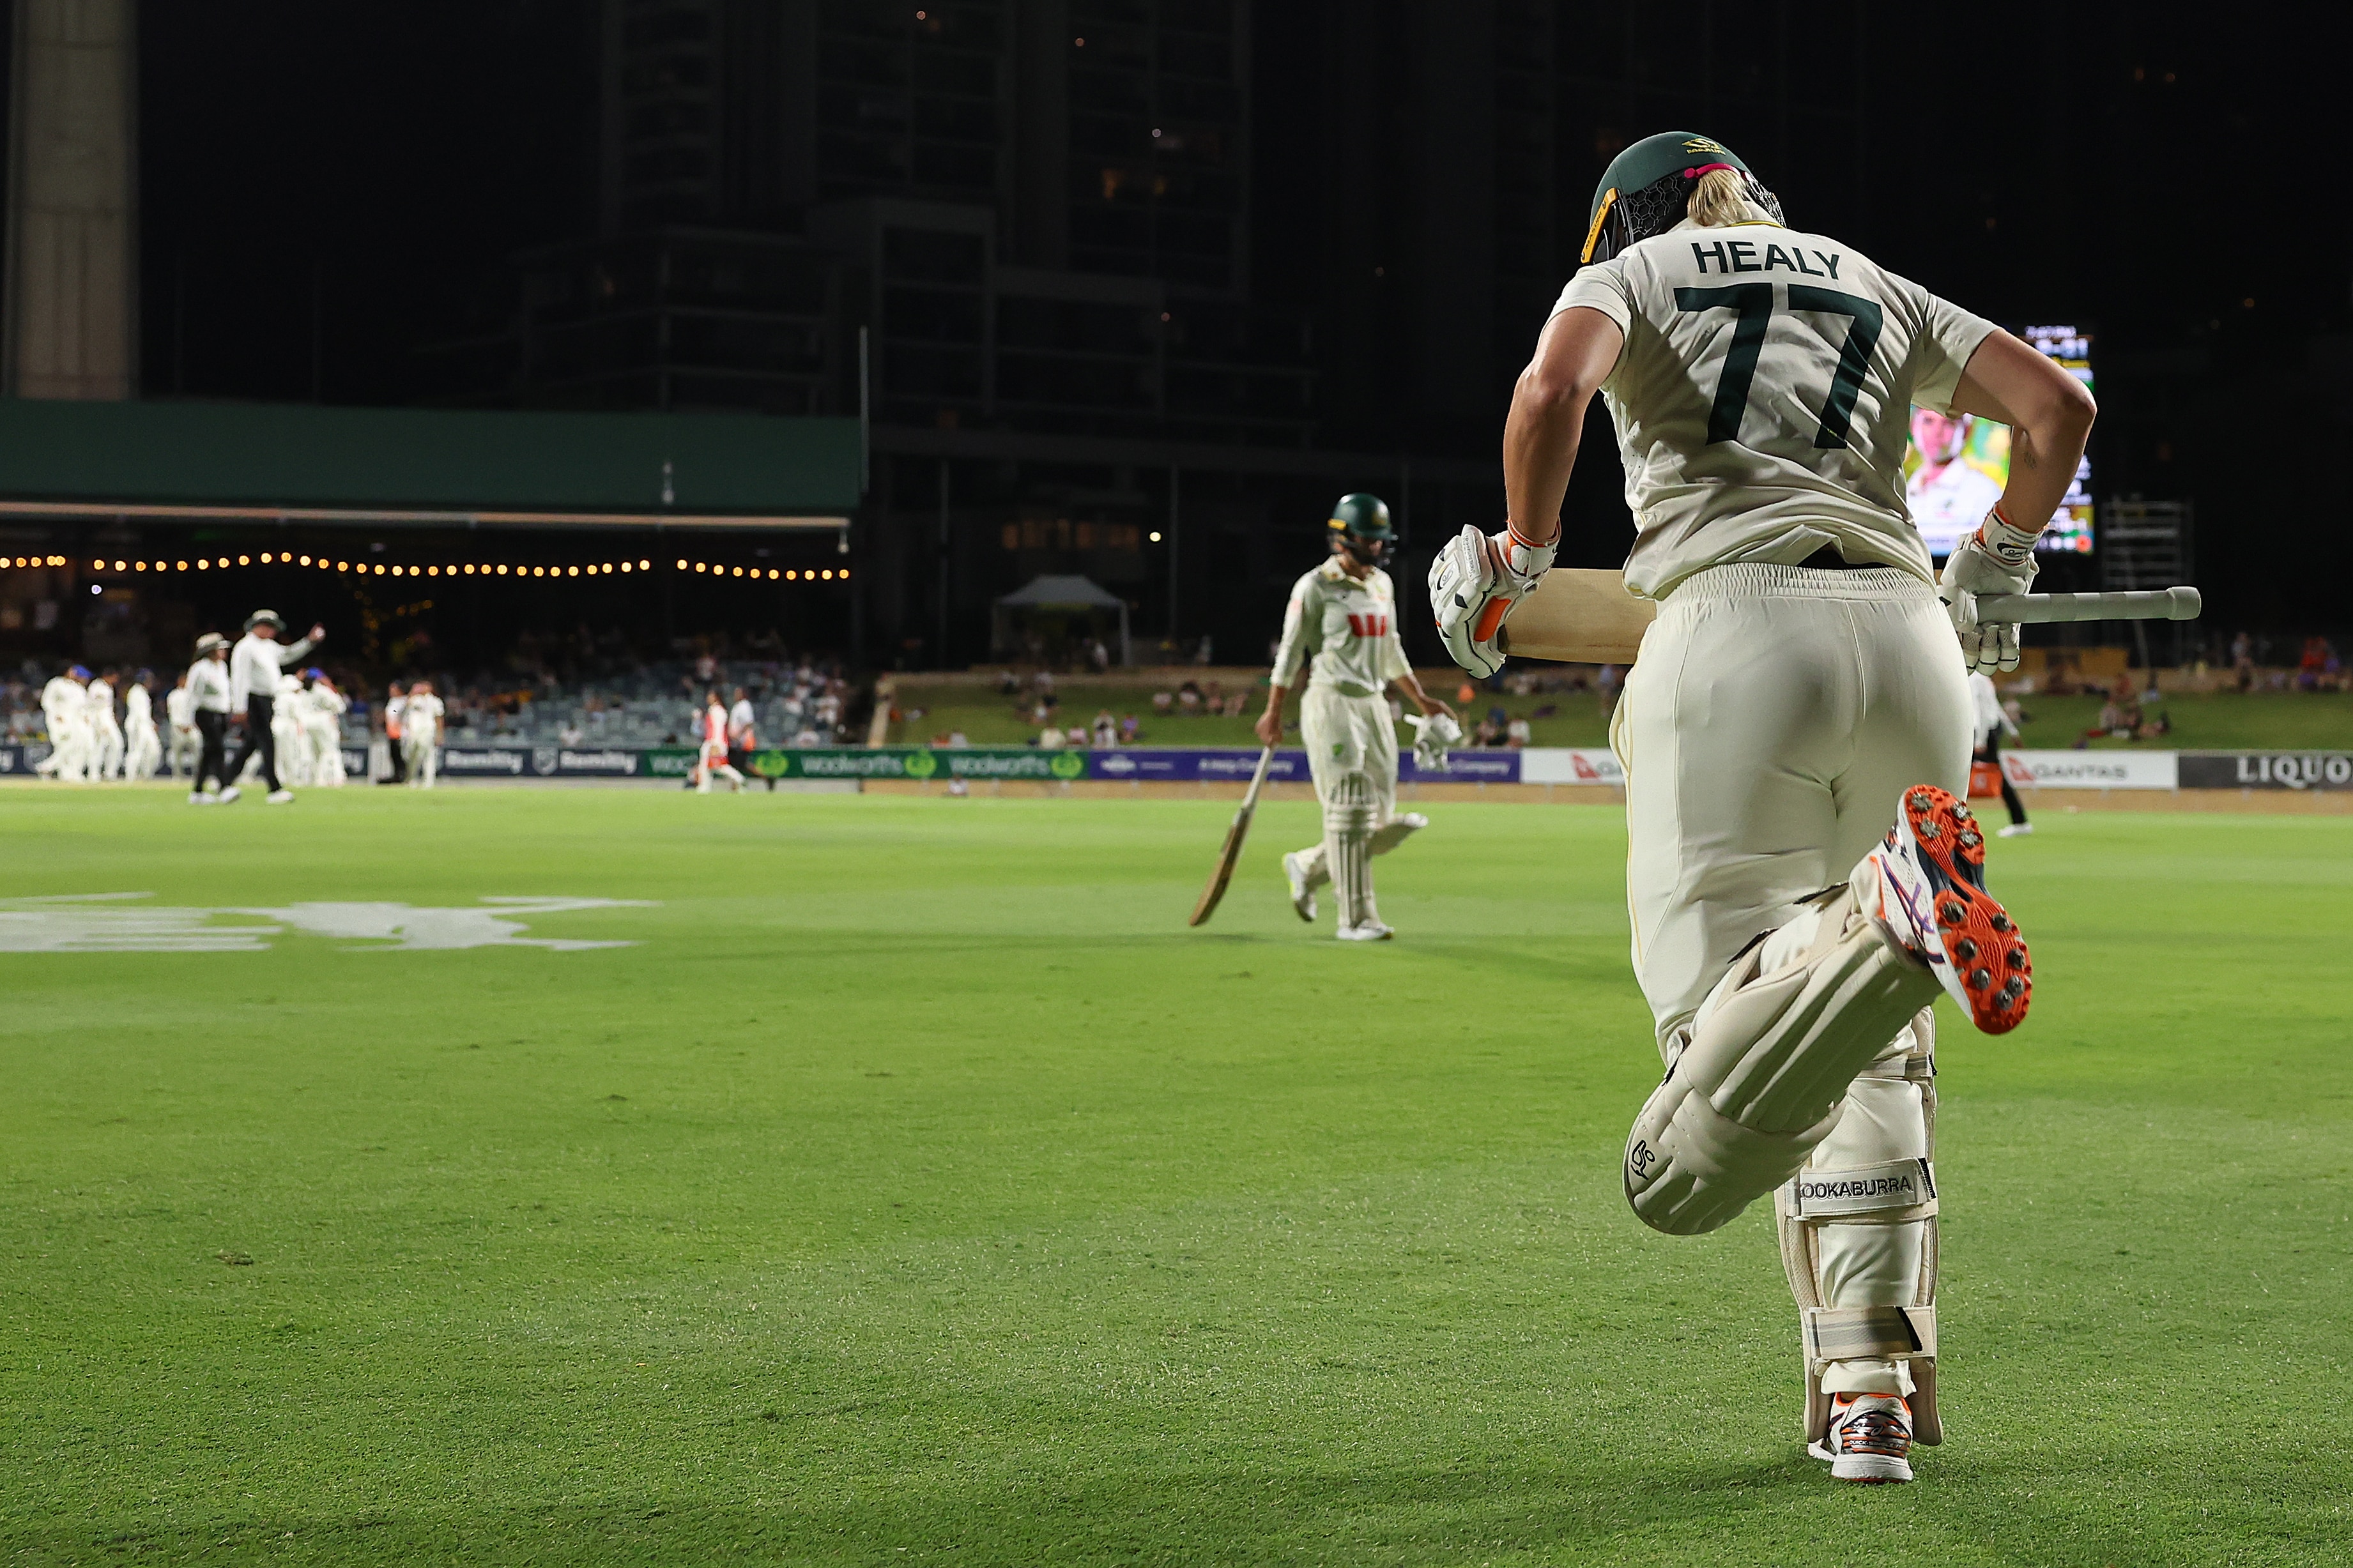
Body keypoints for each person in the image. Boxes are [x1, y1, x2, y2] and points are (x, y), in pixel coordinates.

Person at [1433, 131, 2092, 1484]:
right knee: (1874, 1051)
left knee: (1704, 1082)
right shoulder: (1865, 275)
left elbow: (1546, 391)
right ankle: (1865, 1391)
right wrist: (2001, 552)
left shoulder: (1640, 271)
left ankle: (1873, 915)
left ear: (1629, 215)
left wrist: (1520, 553)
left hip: (1729, 637)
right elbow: (2054, 413)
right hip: (1910, 642)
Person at [1255, 493, 1455, 940]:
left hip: (1374, 703)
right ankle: (1355, 919)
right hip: (1330, 701)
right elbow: (1289, 654)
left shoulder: (1382, 585)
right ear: (1343, 537)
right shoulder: (1314, 586)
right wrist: (1273, 713)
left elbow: (1390, 649)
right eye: (1371, 538)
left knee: (1379, 820)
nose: (1379, 547)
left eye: (1383, 540)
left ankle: (1307, 865)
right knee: (1349, 807)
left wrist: (1422, 701)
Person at [220, 609, 322, 803]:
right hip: (253, 699)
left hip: (266, 699)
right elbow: (240, 678)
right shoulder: (245, 647)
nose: (274, 632)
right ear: (260, 627)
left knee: (252, 743)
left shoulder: (269, 646)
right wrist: (240, 707)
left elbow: (288, 654)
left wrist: (309, 642)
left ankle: (226, 780)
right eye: (271, 628)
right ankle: (274, 788)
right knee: (267, 741)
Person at [1968, 669, 2029, 836]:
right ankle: (2020, 821)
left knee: (1959, 774)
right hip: (1992, 731)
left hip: (1982, 733)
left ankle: (1950, 820)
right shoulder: (1984, 679)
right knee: (1998, 776)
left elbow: (1978, 711)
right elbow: (1996, 707)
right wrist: (2013, 732)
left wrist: (1979, 740)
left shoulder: (1973, 679)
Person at [185, 635, 233, 802]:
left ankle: (198, 791)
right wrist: (187, 719)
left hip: (221, 714)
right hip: (205, 713)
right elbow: (192, 694)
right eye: (220, 649)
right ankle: (224, 786)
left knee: (209, 752)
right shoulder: (200, 668)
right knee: (218, 748)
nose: (224, 652)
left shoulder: (222, 667)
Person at [34, 664, 91, 780]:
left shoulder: (78, 688)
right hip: (58, 719)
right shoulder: (55, 683)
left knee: (75, 746)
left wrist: (85, 716)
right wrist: (55, 714)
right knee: (64, 745)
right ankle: (48, 768)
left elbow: (83, 706)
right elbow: (46, 701)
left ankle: (61, 771)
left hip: (74, 721)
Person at [302, 670, 348, 786]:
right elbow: (340, 706)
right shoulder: (322, 690)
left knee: (314, 752)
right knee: (330, 751)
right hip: (324, 722)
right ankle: (336, 778)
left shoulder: (303, 693)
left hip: (307, 723)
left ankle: (315, 779)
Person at [694, 689, 743, 793]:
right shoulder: (715, 710)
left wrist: (715, 744)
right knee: (707, 765)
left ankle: (739, 779)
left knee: (719, 766)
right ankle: (704, 787)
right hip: (714, 741)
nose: (708, 698)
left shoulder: (717, 711)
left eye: (711, 696)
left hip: (715, 741)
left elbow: (718, 728)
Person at [402, 678, 444, 788]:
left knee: (429, 755)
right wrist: (413, 691)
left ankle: (429, 781)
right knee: (412, 755)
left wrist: (440, 734)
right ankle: (412, 779)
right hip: (414, 731)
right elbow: (406, 705)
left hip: (428, 731)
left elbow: (439, 718)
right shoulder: (416, 699)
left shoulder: (436, 701)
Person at [122, 669, 162, 782]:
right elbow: (138, 714)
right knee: (136, 751)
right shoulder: (135, 692)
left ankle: (146, 775)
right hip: (137, 725)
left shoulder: (143, 692)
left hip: (145, 725)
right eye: (149, 680)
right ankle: (130, 777)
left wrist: (151, 724)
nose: (151, 683)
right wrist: (145, 726)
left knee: (154, 750)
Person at [86, 669, 125, 780]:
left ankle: (110, 772)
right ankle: (94, 774)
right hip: (98, 720)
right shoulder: (96, 687)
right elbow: (92, 707)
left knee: (117, 745)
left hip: (108, 720)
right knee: (98, 748)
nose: (116, 680)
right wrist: (99, 724)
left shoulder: (109, 688)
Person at [164, 669, 200, 780]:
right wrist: (180, 726)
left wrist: (192, 725)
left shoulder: (193, 694)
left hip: (192, 727)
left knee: (198, 750)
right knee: (177, 752)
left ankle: (198, 774)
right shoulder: (173, 695)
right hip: (178, 727)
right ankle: (177, 775)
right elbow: (172, 712)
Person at [380, 681, 408, 785]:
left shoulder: (404, 701)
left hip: (401, 733)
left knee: (402, 756)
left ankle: (404, 776)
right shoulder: (392, 701)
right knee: (394, 756)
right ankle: (396, 775)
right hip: (391, 733)